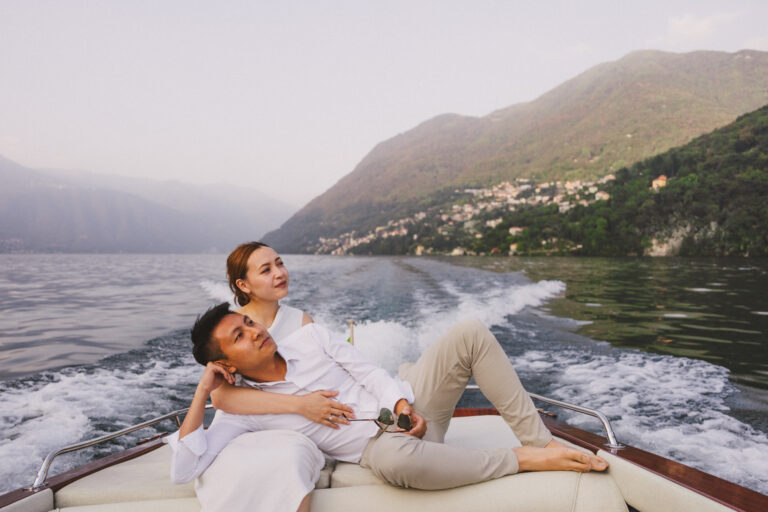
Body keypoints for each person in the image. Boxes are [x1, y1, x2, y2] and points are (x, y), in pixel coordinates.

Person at [167, 303, 607, 499]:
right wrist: (204, 392)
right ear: (226, 362)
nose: (256, 331)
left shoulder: (310, 338)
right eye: (239, 336)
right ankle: (523, 458)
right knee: (398, 465)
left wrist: (401, 408)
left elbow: (369, 372)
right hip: (380, 448)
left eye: (248, 321)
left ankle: (541, 440)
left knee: (470, 331)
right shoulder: (244, 409)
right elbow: (184, 468)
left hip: (412, 409)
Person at [186, 242, 350, 512]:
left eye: (280, 264)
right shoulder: (230, 328)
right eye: (266, 269)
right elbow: (223, 397)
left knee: (290, 462)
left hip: (301, 430)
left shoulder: (302, 322)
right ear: (244, 285)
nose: (279, 273)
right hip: (248, 432)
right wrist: (300, 405)